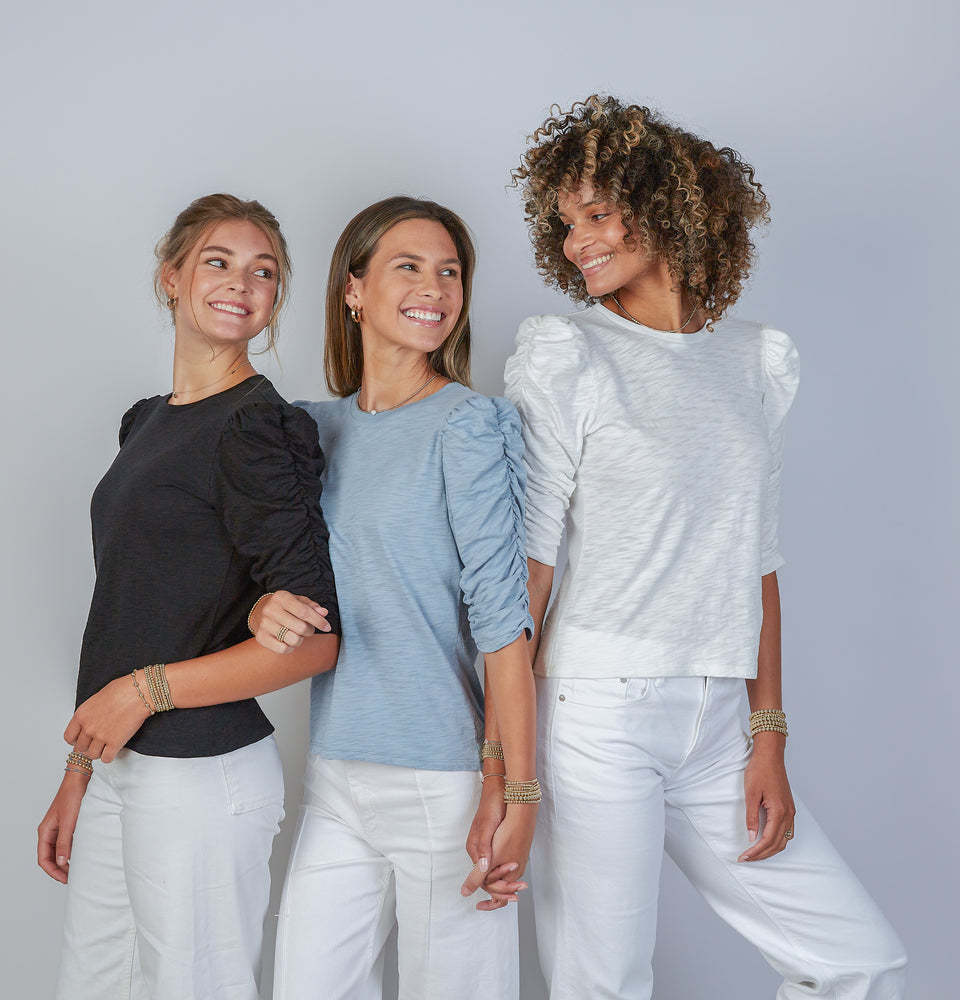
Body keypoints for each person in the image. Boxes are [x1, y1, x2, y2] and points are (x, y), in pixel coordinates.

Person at [504, 96, 907, 1000]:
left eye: (598, 214)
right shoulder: (567, 352)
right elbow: (528, 568)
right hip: (596, 710)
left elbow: (757, 562)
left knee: (859, 963)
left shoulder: (757, 360)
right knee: (603, 984)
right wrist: (501, 758)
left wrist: (768, 736)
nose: (578, 242)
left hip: (721, 718)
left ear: (669, 207)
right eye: (566, 223)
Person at [36, 193, 342, 1000]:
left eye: (264, 271)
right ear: (171, 278)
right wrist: (81, 769)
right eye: (219, 261)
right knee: (92, 986)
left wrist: (146, 691)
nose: (242, 283)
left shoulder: (256, 426)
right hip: (120, 766)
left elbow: (315, 638)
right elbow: (132, 605)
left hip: (201, 775)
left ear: (275, 299)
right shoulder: (146, 421)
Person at [250, 196, 538, 1000]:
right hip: (336, 772)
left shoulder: (468, 426)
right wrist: (255, 610)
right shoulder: (310, 432)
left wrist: (515, 793)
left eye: (450, 272)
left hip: (443, 778)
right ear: (353, 289)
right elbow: (267, 580)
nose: (435, 288)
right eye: (408, 266)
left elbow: (504, 626)